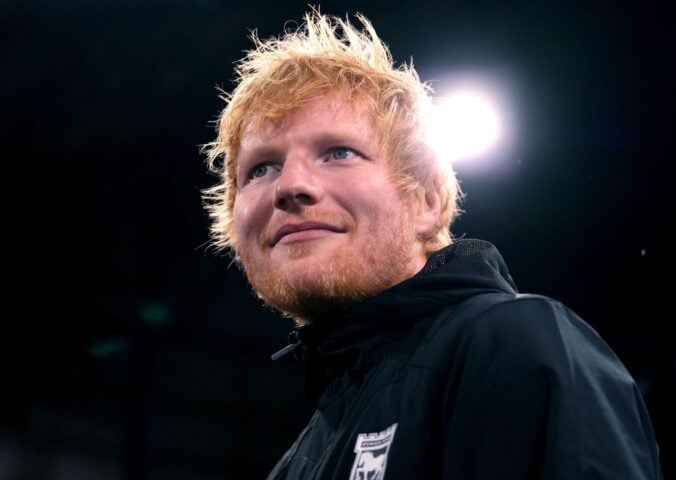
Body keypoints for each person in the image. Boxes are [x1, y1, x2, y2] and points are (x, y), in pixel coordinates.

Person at [203, 10, 663, 480]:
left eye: (339, 152)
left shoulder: (515, 345)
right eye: (261, 168)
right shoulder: (296, 464)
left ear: (426, 200)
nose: (290, 185)